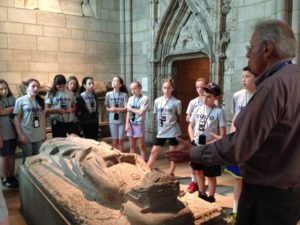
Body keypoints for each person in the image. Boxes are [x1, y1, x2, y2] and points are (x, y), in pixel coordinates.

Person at [166, 20, 300, 225]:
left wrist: (194, 152)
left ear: (267, 49)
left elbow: (241, 146)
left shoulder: (272, 87)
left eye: (250, 48)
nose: (248, 55)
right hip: (290, 195)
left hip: (265, 200)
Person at [224, 66, 256, 222]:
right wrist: (231, 141)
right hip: (239, 144)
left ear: (256, 77)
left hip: (255, 146)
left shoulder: (262, 95)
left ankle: (251, 213)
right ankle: (236, 211)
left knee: (253, 181)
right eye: (243, 76)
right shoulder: (237, 96)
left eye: (247, 76)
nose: (243, 79)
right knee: (238, 179)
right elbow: (235, 120)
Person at [188, 82, 226, 202]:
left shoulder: (219, 112)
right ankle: (201, 193)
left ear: (215, 98)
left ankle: (211, 196)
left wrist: (215, 141)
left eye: (209, 96)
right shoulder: (198, 109)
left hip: (211, 148)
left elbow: (222, 134)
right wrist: (192, 139)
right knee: (198, 171)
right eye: (204, 95)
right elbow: (190, 125)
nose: (205, 98)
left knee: (210, 175)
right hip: (197, 146)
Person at [147, 79, 182, 176]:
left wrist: (175, 127)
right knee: (154, 151)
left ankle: (171, 173)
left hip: (173, 130)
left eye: (168, 88)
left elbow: (179, 117)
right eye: (165, 88)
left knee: (172, 154)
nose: (166, 90)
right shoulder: (157, 101)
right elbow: (156, 114)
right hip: (162, 130)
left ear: (172, 89)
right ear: (162, 88)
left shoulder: (176, 102)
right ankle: (146, 169)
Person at [14, 79, 46, 163]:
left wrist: (44, 132)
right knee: (28, 158)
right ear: (27, 88)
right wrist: (20, 135)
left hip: (38, 134)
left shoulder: (40, 101)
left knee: (37, 158)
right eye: (33, 86)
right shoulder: (20, 100)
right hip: (26, 134)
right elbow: (16, 119)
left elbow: (42, 117)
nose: (36, 88)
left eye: (37, 87)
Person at [185, 78, 207, 193]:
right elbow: (187, 118)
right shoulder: (193, 102)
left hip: (207, 135)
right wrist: (190, 117)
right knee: (193, 161)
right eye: (198, 87)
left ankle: (204, 182)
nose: (200, 90)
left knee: (205, 162)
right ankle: (194, 182)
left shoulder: (211, 101)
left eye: (202, 87)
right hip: (195, 135)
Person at [0, 80, 18, 188]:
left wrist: (6, 110)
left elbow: (17, 110)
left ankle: (11, 176)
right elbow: (1, 112)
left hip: (13, 131)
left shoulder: (12, 98)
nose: (4, 91)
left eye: (5, 88)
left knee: (12, 156)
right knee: (4, 157)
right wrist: (11, 109)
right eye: (1, 89)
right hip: (3, 133)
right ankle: (4, 177)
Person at [125, 81, 149, 160]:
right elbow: (128, 112)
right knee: (132, 145)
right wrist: (127, 123)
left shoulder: (145, 98)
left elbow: (141, 112)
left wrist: (131, 109)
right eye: (131, 89)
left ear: (140, 88)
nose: (133, 91)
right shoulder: (130, 98)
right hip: (131, 123)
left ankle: (144, 164)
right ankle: (132, 163)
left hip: (139, 124)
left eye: (135, 88)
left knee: (141, 146)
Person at [105, 76, 128, 151]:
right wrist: (110, 109)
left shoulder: (124, 95)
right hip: (112, 120)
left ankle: (121, 156)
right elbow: (107, 107)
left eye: (116, 81)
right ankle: (115, 156)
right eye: (113, 81)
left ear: (120, 84)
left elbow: (126, 108)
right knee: (114, 141)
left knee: (120, 141)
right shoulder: (108, 94)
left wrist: (116, 109)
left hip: (121, 120)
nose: (113, 82)